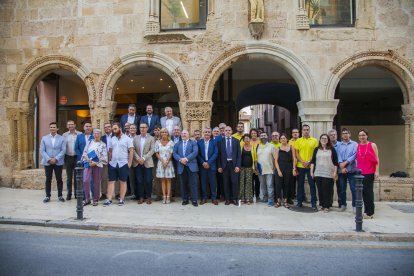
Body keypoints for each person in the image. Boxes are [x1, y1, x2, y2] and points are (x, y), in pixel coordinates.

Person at [104, 122, 134, 207]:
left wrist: (129, 163)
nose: (114, 131)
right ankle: (109, 199)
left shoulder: (127, 139)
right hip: (113, 163)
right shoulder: (112, 139)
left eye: (115, 129)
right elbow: (110, 151)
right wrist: (109, 161)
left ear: (120, 128)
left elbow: (131, 151)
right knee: (111, 181)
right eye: (113, 129)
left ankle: (121, 199)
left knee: (123, 181)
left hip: (123, 163)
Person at [310, 134, 338, 213]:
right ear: (320, 140)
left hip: (328, 173)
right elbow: (313, 161)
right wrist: (311, 171)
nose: (324, 140)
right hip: (318, 172)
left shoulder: (332, 149)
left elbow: (336, 162)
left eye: (326, 138)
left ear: (328, 140)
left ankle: (327, 206)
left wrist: (335, 173)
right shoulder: (316, 149)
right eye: (322, 138)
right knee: (320, 190)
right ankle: (322, 205)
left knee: (327, 190)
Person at [40, 122, 67, 203]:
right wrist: (49, 159)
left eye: (54, 127)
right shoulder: (44, 138)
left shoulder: (62, 138)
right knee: (48, 179)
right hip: (47, 162)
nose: (52, 128)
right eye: (51, 127)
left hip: (58, 162)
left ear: (57, 129)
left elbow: (63, 150)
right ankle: (47, 196)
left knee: (59, 179)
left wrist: (56, 159)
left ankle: (60, 195)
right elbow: (42, 150)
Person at [294, 124, 319, 211]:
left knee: (312, 184)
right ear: (302, 131)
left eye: (307, 129)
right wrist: (301, 161)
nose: (306, 131)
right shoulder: (298, 141)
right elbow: (296, 153)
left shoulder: (315, 141)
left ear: (309, 130)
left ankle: (313, 203)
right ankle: (299, 202)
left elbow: (315, 153)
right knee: (300, 184)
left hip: (310, 166)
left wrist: (309, 161)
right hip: (300, 166)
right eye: (304, 130)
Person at [356, 128, 379, 219]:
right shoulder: (357, 146)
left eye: (363, 135)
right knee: (363, 193)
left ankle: (370, 213)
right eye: (360, 135)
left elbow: (377, 159)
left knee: (368, 192)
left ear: (367, 136)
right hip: (360, 173)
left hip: (369, 172)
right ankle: (366, 211)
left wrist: (377, 171)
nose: (362, 137)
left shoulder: (372, 145)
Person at [81, 129, 108, 206]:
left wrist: (95, 163)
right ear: (93, 134)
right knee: (85, 180)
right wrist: (88, 160)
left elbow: (104, 157)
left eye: (98, 133)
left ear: (100, 135)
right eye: (95, 133)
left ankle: (95, 199)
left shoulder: (103, 144)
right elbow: (84, 152)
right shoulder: (89, 142)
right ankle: (87, 199)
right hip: (88, 164)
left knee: (96, 182)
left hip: (98, 165)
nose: (96, 135)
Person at [173, 129, 199, 207]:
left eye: (185, 133)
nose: (183, 135)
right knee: (183, 184)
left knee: (193, 183)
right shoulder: (177, 144)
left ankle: (194, 199)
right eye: (182, 133)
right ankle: (185, 199)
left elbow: (195, 152)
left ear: (188, 134)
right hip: (181, 166)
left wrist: (186, 159)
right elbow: (174, 153)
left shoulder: (193, 142)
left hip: (191, 166)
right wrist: (180, 159)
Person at [217, 126, 241, 205]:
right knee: (226, 182)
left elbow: (238, 155)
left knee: (234, 182)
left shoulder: (236, 141)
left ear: (231, 131)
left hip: (233, 165)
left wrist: (238, 166)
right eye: (226, 130)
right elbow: (219, 155)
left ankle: (234, 199)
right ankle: (227, 199)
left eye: (229, 130)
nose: (227, 131)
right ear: (223, 132)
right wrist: (219, 166)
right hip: (224, 165)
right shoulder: (220, 141)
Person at [133, 123, 155, 204]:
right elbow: (133, 149)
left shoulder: (151, 138)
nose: (142, 129)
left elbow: (152, 150)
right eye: (141, 127)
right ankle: (141, 197)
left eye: (144, 127)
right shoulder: (135, 138)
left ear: (147, 128)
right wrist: (138, 158)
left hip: (147, 162)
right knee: (139, 180)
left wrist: (144, 158)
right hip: (138, 162)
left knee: (149, 180)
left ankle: (149, 197)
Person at [336, 128, 358, 212]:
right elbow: (338, 155)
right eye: (343, 133)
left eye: (347, 133)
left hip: (351, 168)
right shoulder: (339, 145)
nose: (345, 134)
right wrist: (342, 165)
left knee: (353, 188)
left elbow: (355, 155)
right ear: (341, 135)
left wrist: (346, 162)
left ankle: (355, 206)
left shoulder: (354, 144)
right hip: (341, 168)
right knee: (342, 188)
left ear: (350, 134)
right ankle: (343, 204)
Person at [197, 127, 219, 205]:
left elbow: (216, 153)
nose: (207, 133)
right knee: (203, 182)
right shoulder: (199, 142)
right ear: (203, 133)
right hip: (202, 165)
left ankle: (214, 198)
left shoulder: (214, 142)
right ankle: (204, 198)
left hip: (211, 165)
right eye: (205, 132)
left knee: (213, 182)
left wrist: (208, 163)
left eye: (208, 132)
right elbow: (198, 154)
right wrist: (203, 162)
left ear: (211, 133)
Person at [274, 134, 295, 208]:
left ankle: (285, 201)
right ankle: (278, 201)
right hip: (280, 168)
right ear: (280, 140)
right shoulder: (277, 148)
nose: (283, 139)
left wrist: (294, 169)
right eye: (281, 138)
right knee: (278, 185)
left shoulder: (291, 147)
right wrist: (278, 170)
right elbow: (276, 161)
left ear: (287, 139)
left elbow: (294, 159)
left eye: (284, 138)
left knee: (287, 185)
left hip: (288, 168)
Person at [155, 128, 175, 204]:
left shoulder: (171, 142)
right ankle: (164, 196)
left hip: (168, 163)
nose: (164, 133)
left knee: (168, 180)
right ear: (160, 133)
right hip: (161, 163)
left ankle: (168, 197)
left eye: (165, 132)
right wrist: (163, 161)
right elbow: (156, 153)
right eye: (162, 132)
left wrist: (166, 161)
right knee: (162, 180)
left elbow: (171, 153)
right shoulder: (157, 142)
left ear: (167, 133)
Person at [62, 120, 81, 200]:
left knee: (77, 176)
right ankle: (69, 194)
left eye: (72, 124)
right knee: (69, 177)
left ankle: (77, 194)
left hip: (77, 157)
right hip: (68, 157)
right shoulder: (64, 135)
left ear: (75, 125)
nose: (70, 126)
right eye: (69, 125)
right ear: (67, 126)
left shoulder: (80, 134)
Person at [256, 132, 276, 207]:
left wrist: (274, 168)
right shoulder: (257, 146)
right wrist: (256, 168)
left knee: (270, 185)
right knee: (262, 185)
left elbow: (275, 158)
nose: (263, 137)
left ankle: (271, 200)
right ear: (260, 137)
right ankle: (265, 198)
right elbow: (256, 159)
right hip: (260, 170)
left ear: (267, 136)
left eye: (264, 135)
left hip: (269, 169)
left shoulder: (271, 146)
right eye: (261, 136)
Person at [239, 134, 255, 204]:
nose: (246, 140)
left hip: (249, 168)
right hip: (242, 168)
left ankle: (248, 198)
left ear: (250, 139)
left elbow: (255, 158)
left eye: (248, 138)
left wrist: (255, 168)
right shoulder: (241, 147)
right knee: (242, 183)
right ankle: (242, 198)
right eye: (245, 138)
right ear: (243, 140)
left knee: (248, 183)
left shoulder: (253, 147)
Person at [327, 129, 341, 208]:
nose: (333, 136)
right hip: (329, 168)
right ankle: (329, 202)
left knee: (340, 186)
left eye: (334, 134)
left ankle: (341, 203)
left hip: (339, 168)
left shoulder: (341, 145)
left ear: (336, 135)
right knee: (329, 187)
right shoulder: (327, 146)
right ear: (329, 136)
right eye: (331, 135)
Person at [100, 122, 112, 200]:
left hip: (114, 159)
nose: (107, 128)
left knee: (115, 177)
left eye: (108, 127)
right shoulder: (102, 138)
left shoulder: (115, 136)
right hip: (104, 159)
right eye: (105, 127)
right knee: (104, 177)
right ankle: (104, 193)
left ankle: (117, 193)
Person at [288, 128, 300, 204]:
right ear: (292, 134)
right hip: (292, 164)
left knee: (300, 181)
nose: (295, 133)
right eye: (293, 132)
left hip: (300, 164)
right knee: (291, 181)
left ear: (299, 133)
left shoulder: (301, 140)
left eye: (296, 132)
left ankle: (300, 196)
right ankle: (291, 196)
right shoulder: (289, 142)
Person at [249, 128, 261, 201]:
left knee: (257, 181)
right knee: (250, 181)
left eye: (255, 133)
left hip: (258, 163)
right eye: (252, 133)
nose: (253, 134)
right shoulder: (247, 141)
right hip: (250, 164)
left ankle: (257, 195)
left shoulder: (260, 142)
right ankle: (251, 195)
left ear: (257, 134)